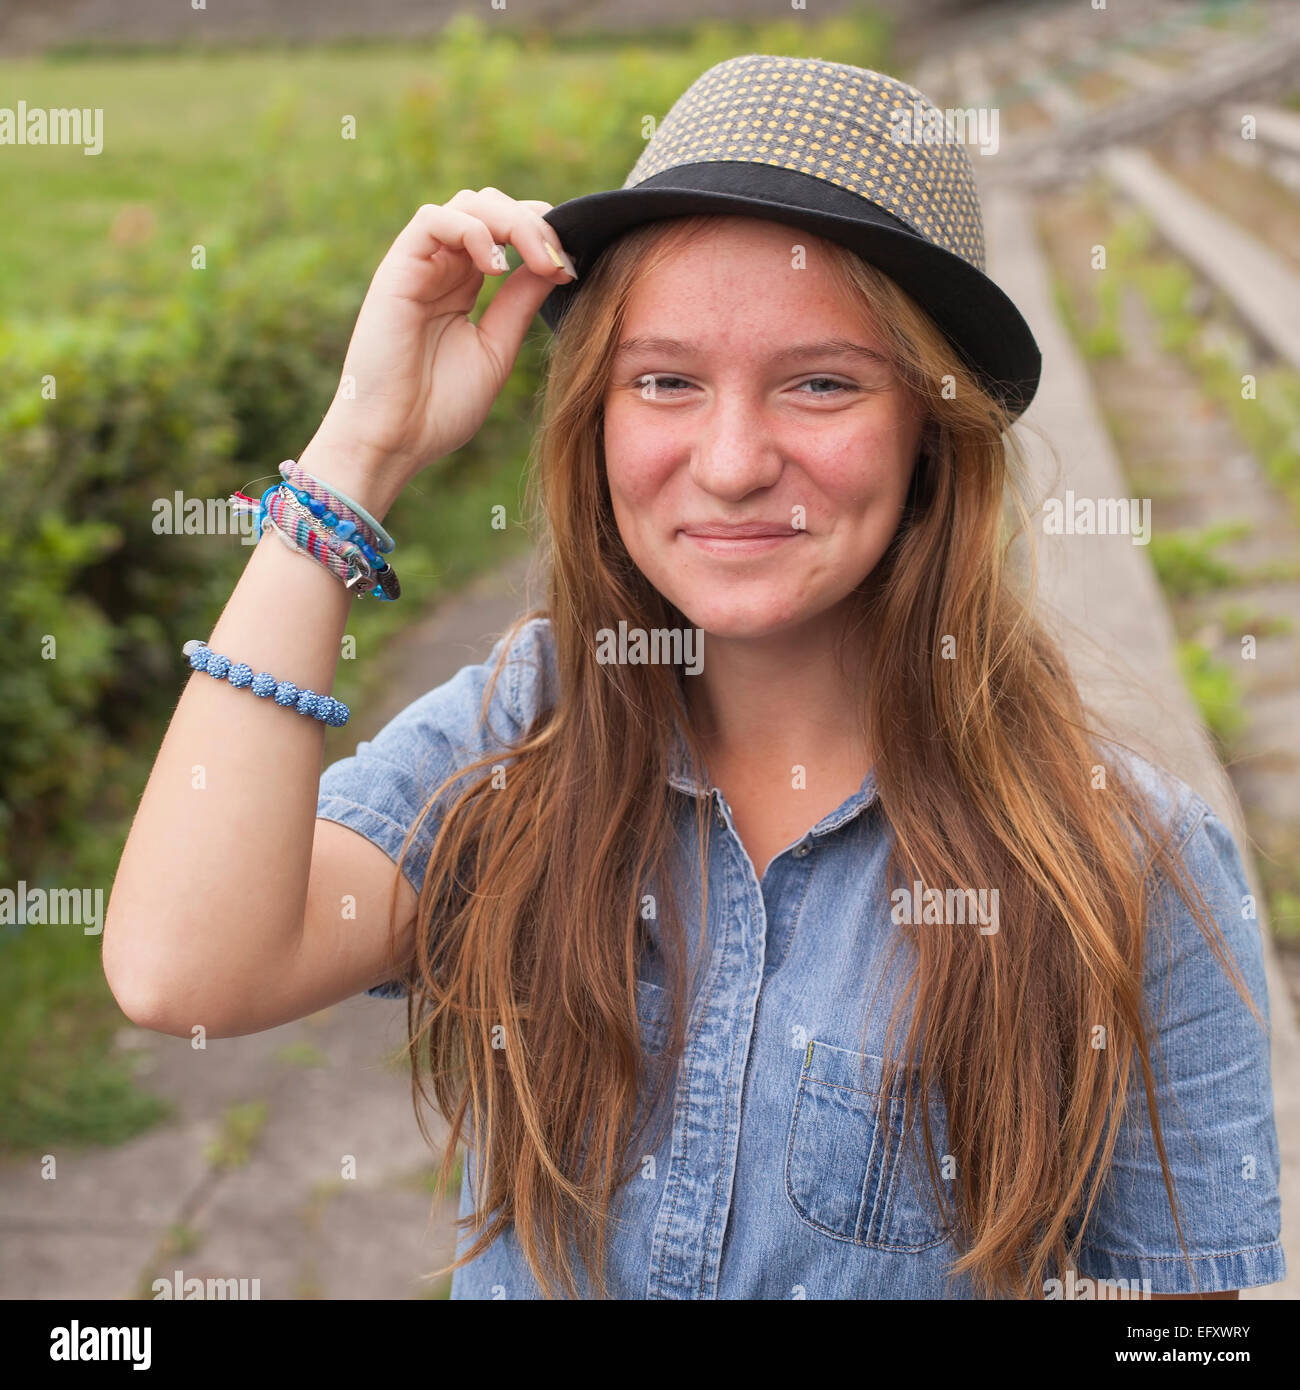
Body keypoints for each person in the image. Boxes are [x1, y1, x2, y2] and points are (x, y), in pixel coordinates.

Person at [103, 55, 1285, 1301]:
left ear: (932, 430)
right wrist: (360, 450)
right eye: (665, 381)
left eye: (820, 383)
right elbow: (185, 970)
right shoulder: (515, 744)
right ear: (598, 417)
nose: (728, 464)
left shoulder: (1126, 862)